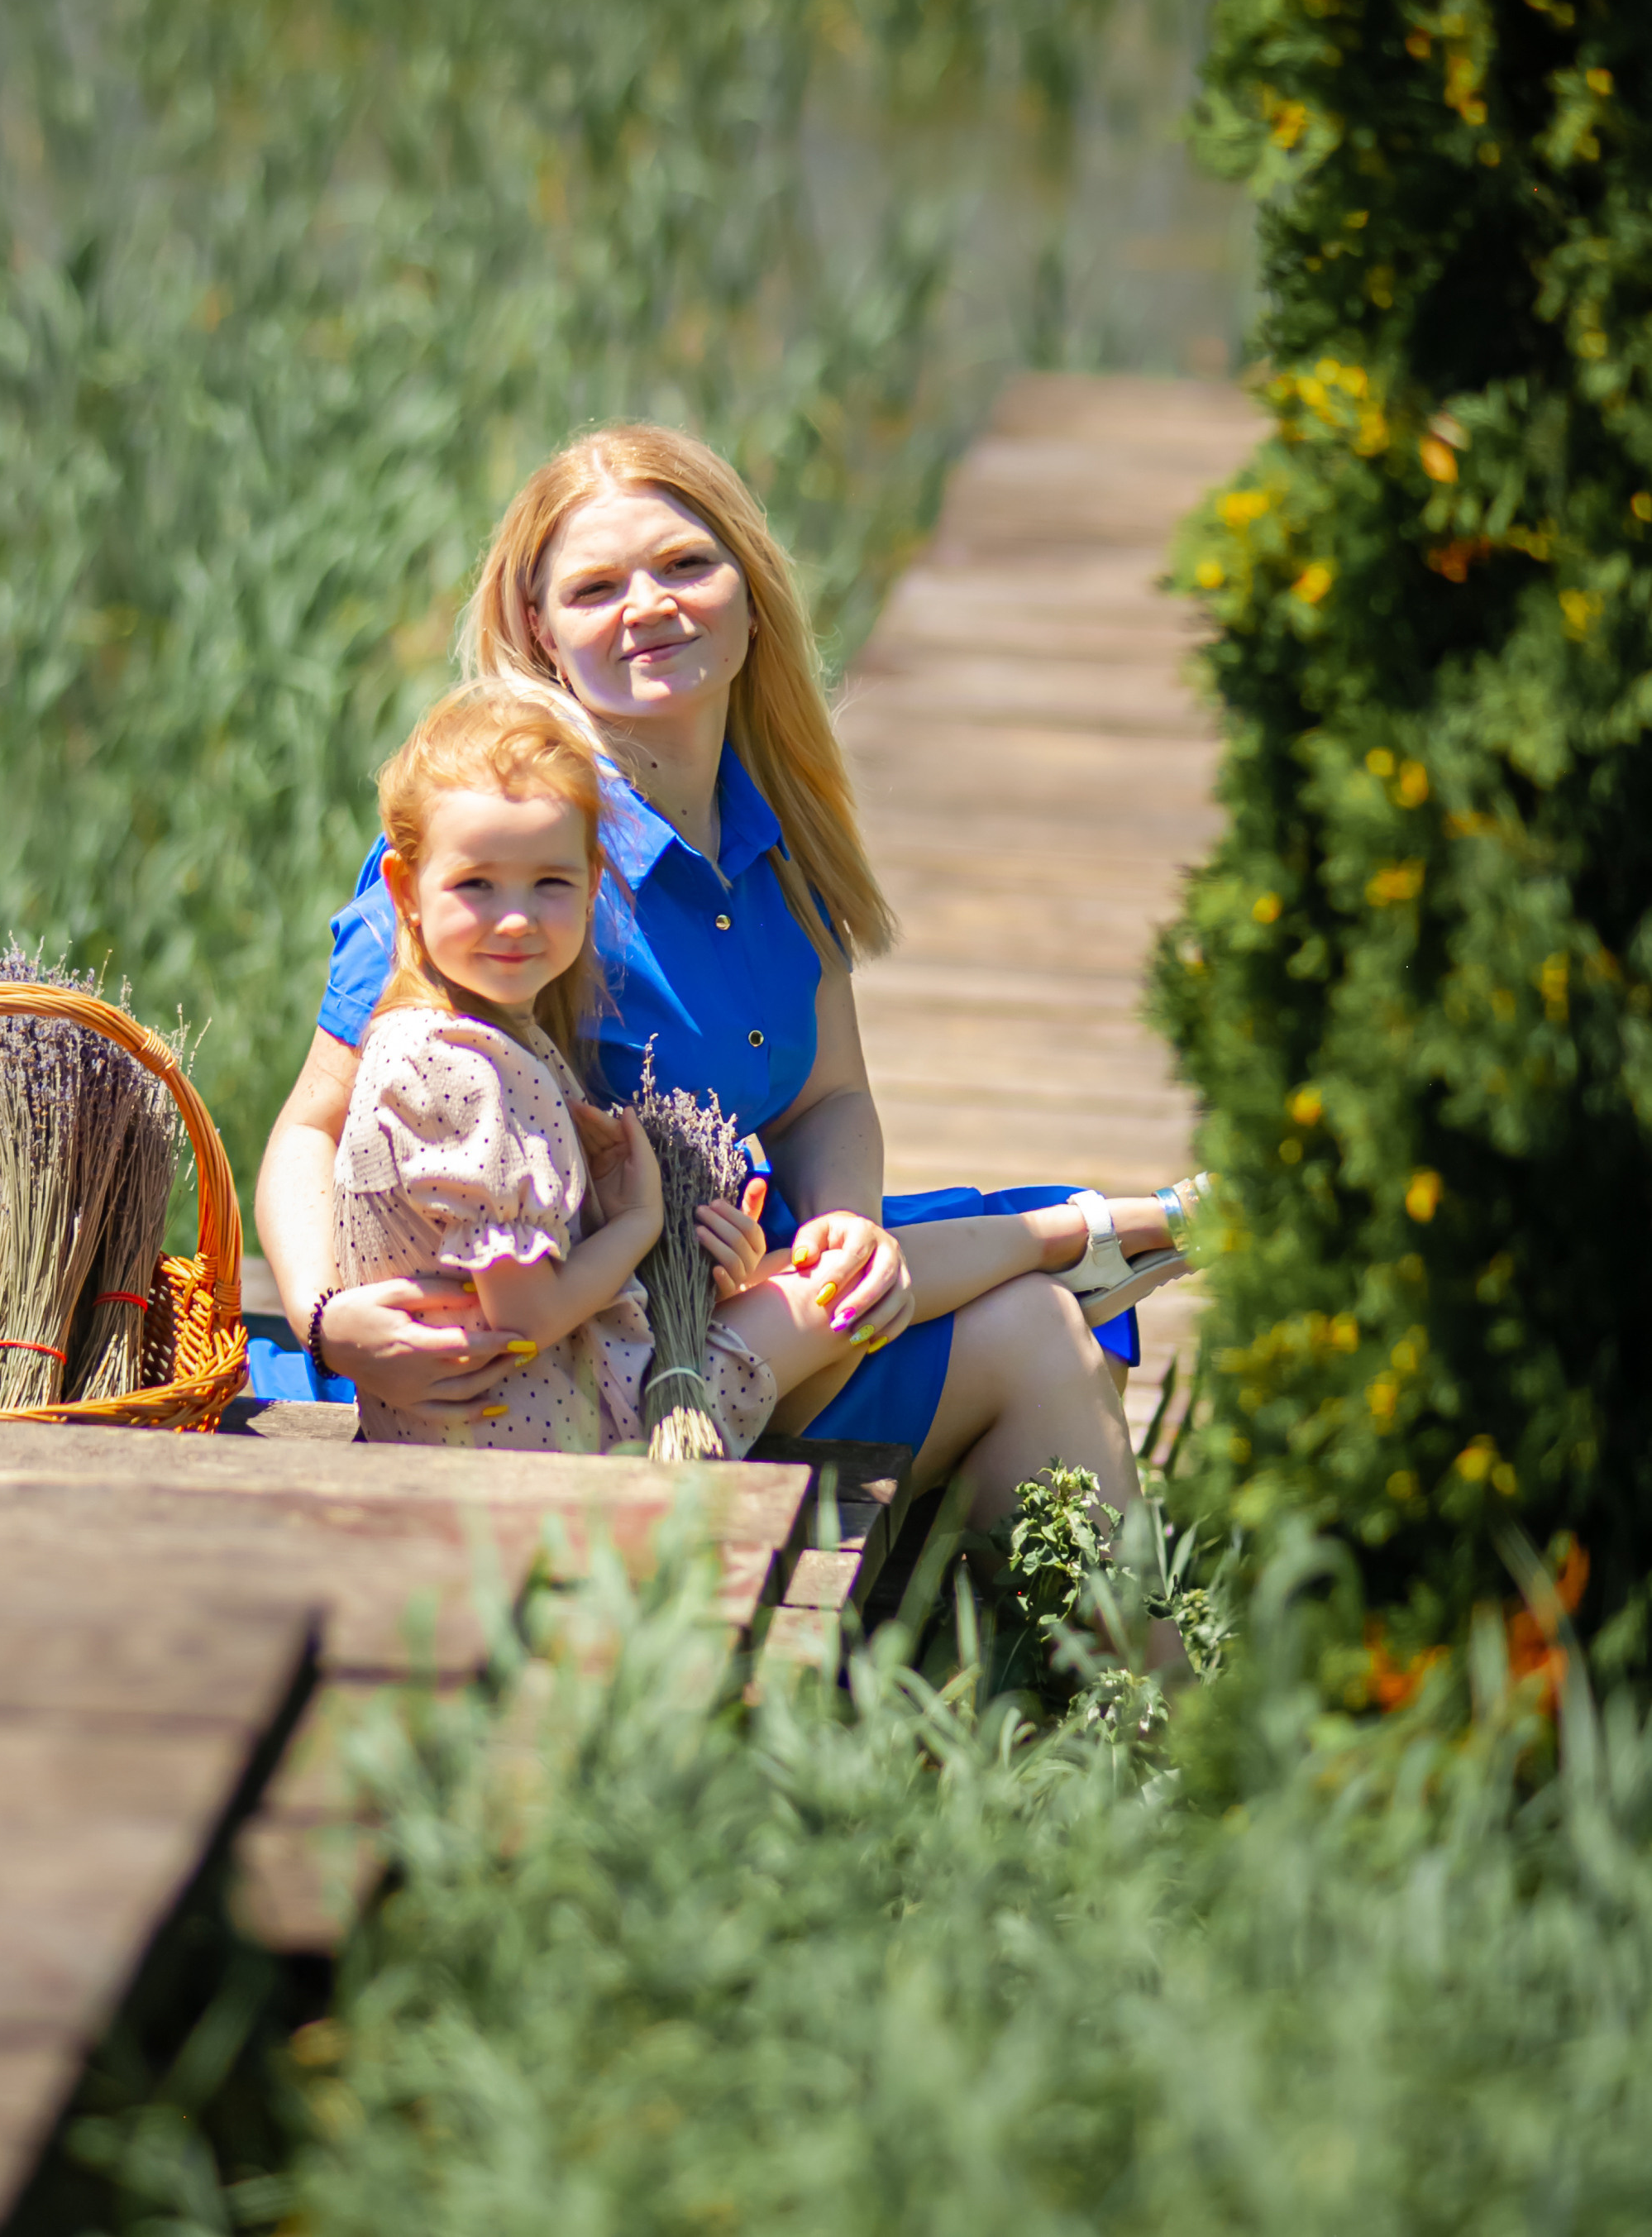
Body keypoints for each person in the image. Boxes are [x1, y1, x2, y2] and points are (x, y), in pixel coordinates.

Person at [256, 423, 1203, 1534]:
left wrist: (846, 1223)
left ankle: (1069, 1684)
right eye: (595, 587)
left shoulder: (777, 839)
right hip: (538, 1374)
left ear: (751, 598)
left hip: (732, 1307)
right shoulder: (510, 865)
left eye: (684, 566)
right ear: (538, 630)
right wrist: (327, 1319)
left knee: (1042, 1332)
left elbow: (827, 1098)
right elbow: (311, 1129)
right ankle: (1105, 1674)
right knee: (1038, 1329)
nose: (647, 605)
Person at [321, 676, 869, 1454]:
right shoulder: (464, 1072)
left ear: (590, 894)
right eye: (476, 885)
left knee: (833, 1275)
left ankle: (1073, 1232)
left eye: (549, 883)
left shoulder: (451, 1037)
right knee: (841, 1289)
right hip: (564, 1433)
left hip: (494, 1423)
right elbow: (527, 1317)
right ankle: (1071, 1229)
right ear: (405, 890)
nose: (514, 918)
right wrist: (642, 1225)